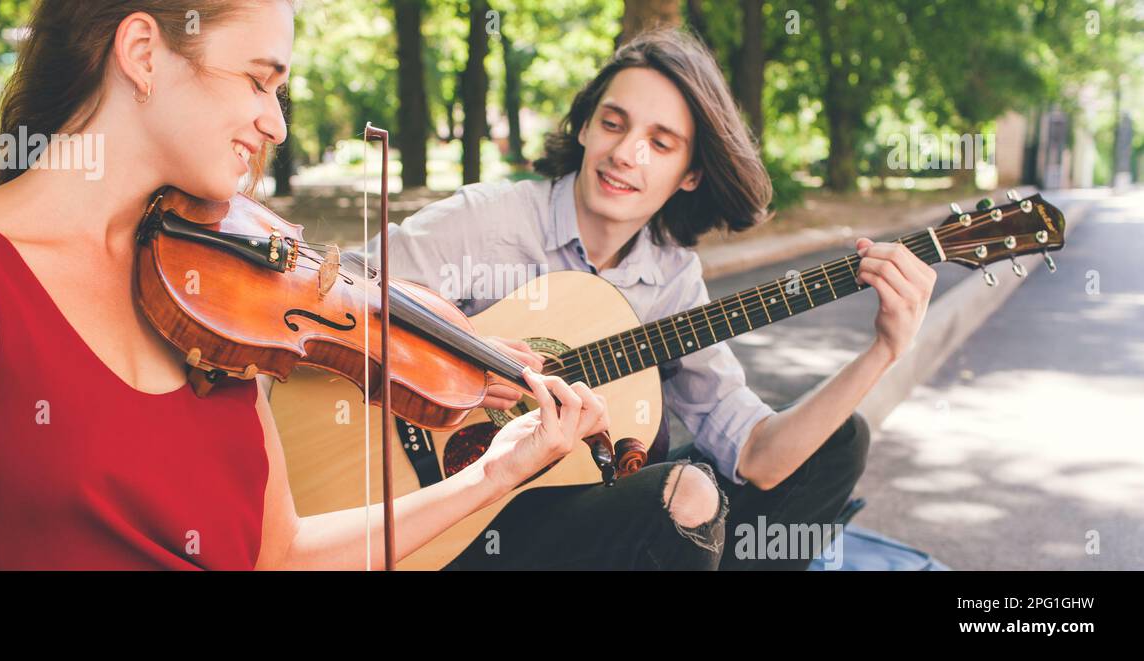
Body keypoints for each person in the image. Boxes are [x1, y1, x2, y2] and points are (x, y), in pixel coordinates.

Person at [0, 0, 720, 571]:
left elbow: (284, 555)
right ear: (144, 51)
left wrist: (497, 472)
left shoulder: (223, 293)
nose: (275, 120)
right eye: (260, 80)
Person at [367, 28, 936, 570]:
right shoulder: (489, 221)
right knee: (683, 493)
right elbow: (343, 290)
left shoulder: (672, 280)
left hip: (566, 515)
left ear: (689, 174)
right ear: (586, 127)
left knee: (838, 442)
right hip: (454, 512)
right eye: (613, 124)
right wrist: (463, 358)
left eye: (660, 144)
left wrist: (883, 351)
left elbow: (758, 459)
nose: (626, 154)